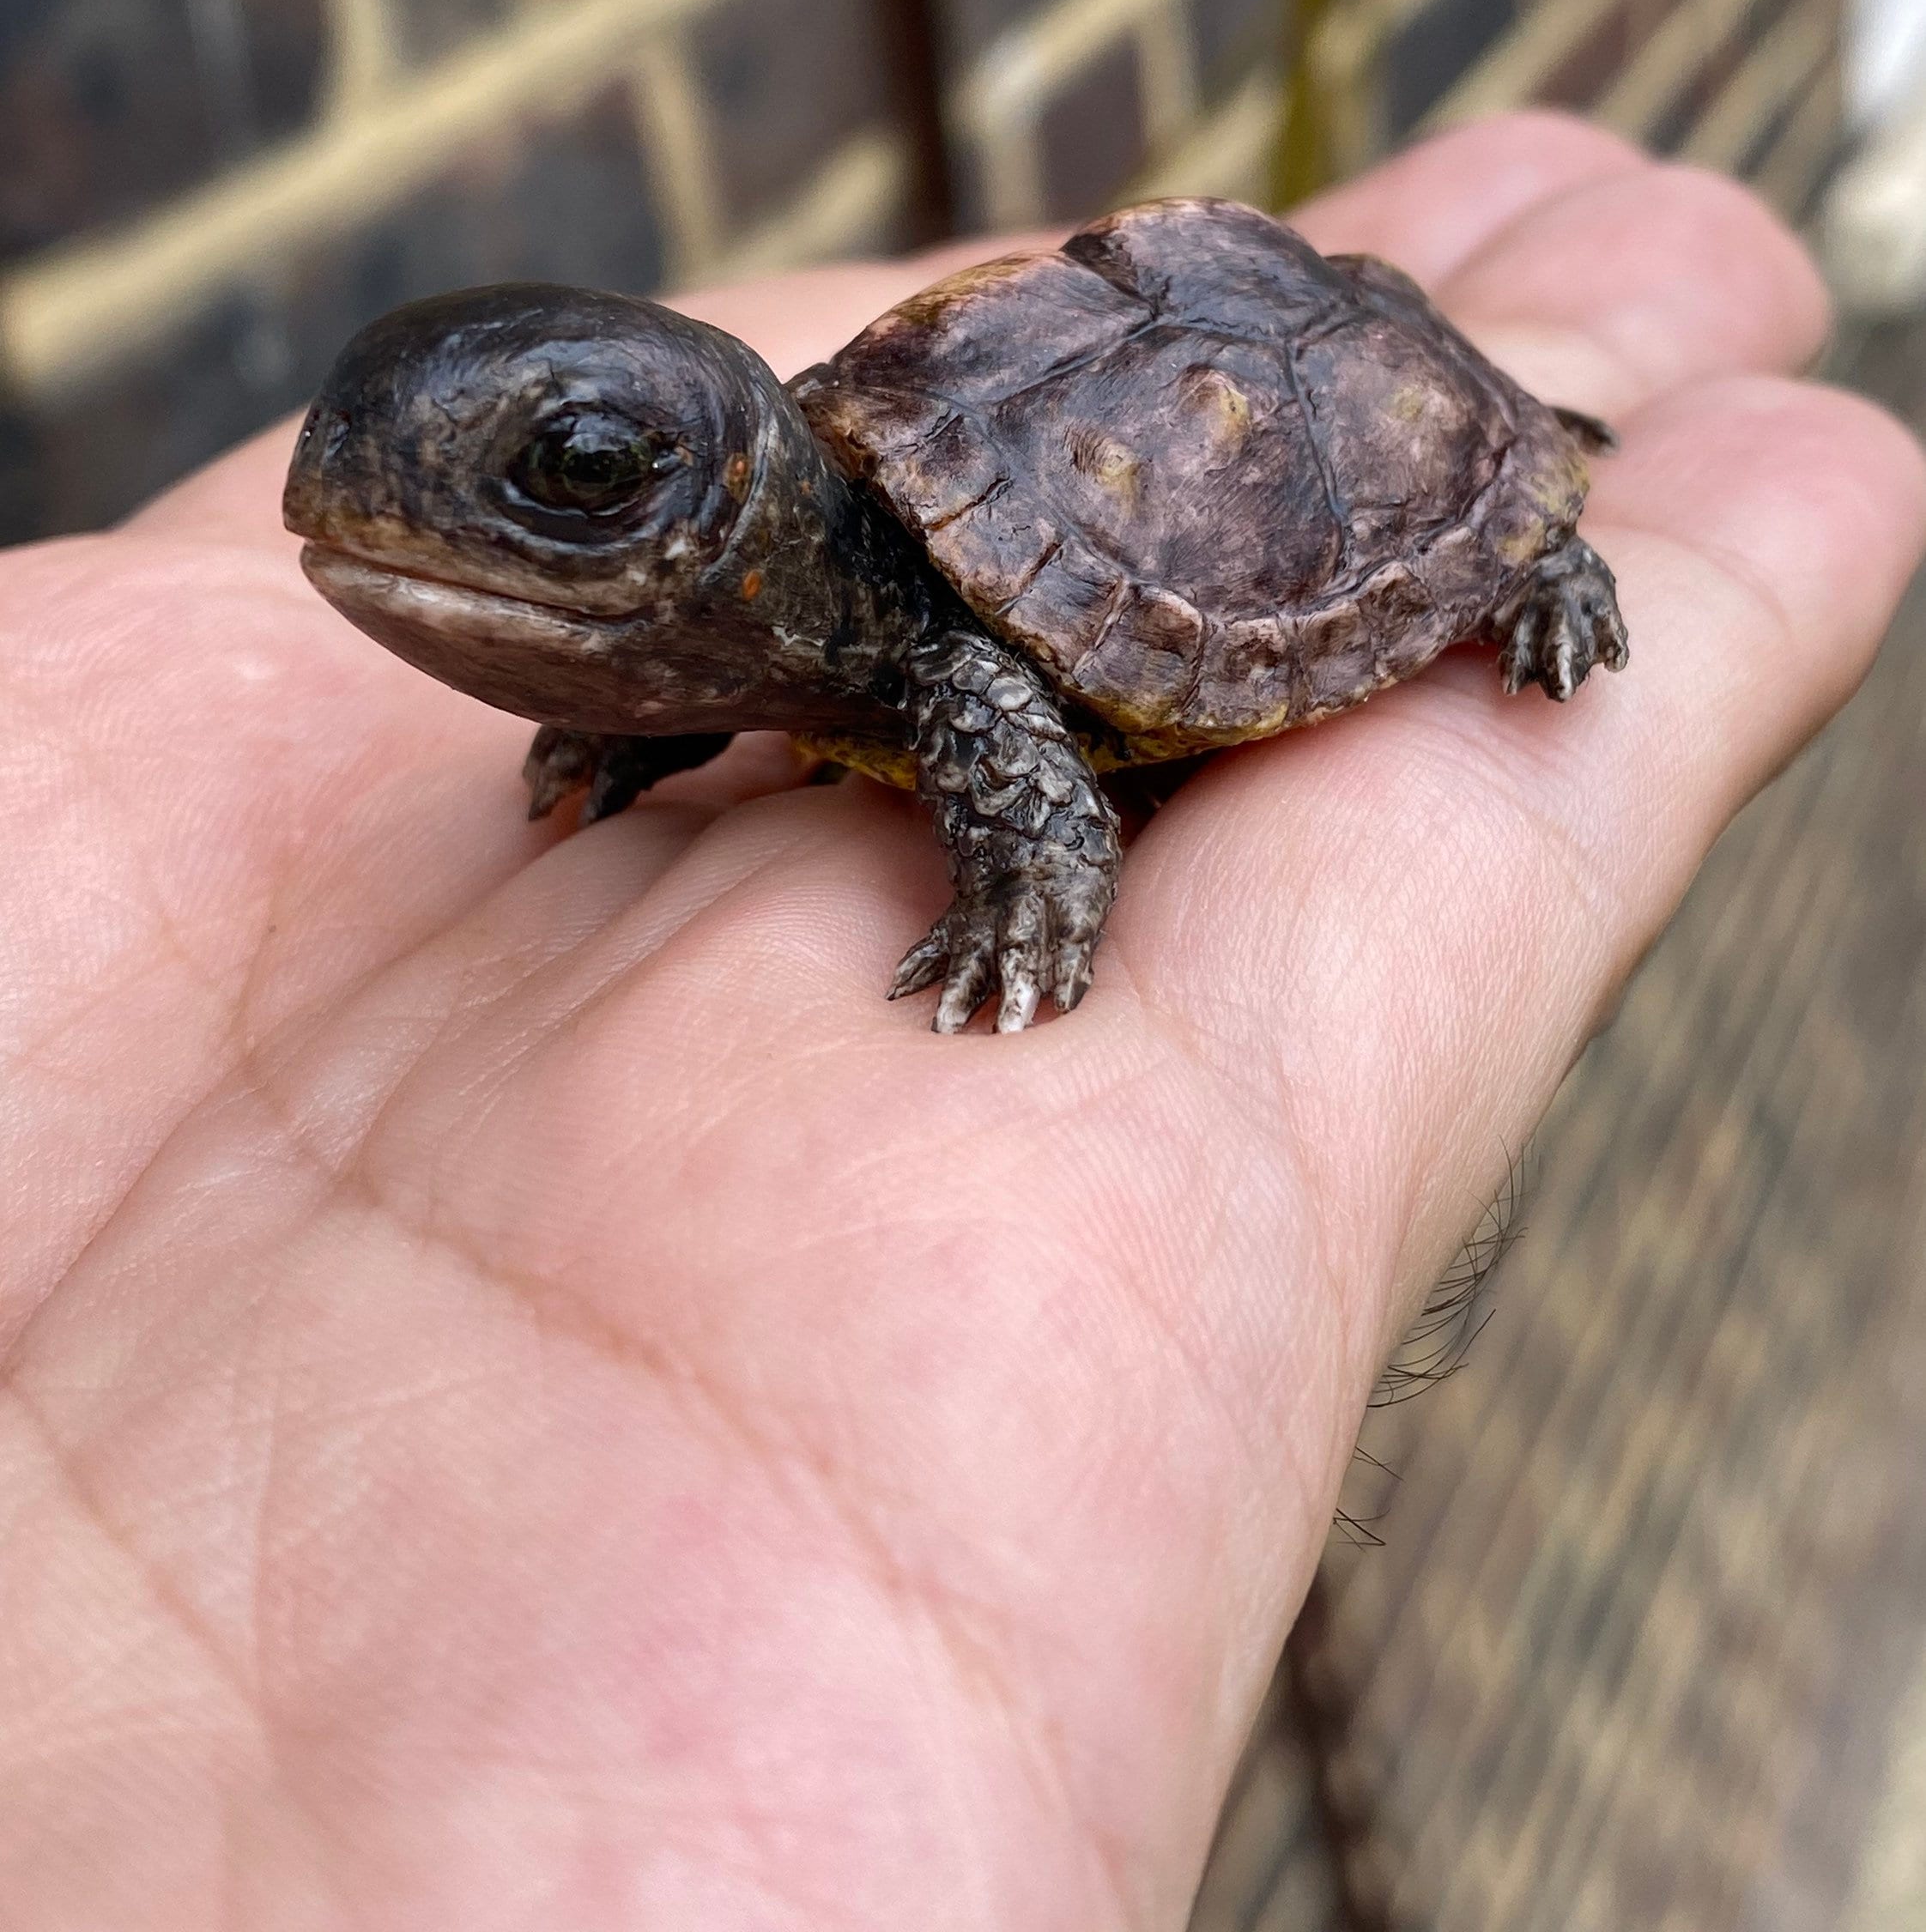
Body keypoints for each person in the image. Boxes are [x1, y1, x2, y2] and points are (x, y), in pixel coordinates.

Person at [0, 114, 1919, 1929]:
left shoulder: (931, 622)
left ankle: (1536, 527)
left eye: (579, 479)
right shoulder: (790, 595)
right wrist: (627, 693)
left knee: (1063, 650)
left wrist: (1029, 875)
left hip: (1318, 433)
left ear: (736, 500)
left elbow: (976, 679)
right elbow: (761, 642)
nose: (512, 523)